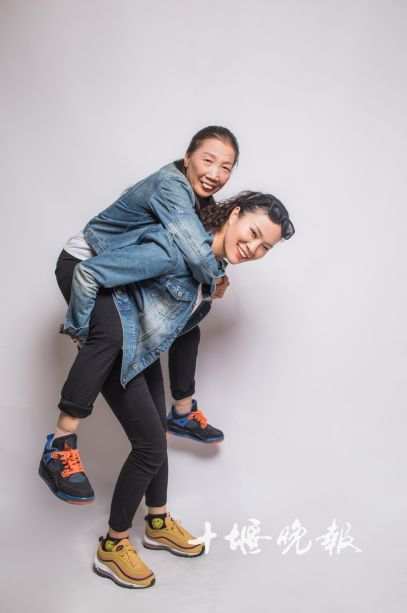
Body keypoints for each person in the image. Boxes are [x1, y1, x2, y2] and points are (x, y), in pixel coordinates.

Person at [51, 191, 295, 588]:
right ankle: (113, 546)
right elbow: (93, 272)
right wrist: (89, 334)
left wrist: (210, 290)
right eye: (251, 233)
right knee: (148, 446)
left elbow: (179, 326)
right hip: (118, 344)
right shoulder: (177, 247)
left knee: (156, 439)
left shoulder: (210, 266)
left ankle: (158, 521)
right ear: (233, 215)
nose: (252, 248)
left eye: (264, 247)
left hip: (141, 349)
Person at [39, 126, 239, 506]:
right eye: (208, 160)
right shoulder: (171, 187)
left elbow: (195, 254)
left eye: (226, 167)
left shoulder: (198, 202)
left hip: (117, 275)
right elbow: (196, 254)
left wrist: (212, 281)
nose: (215, 172)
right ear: (188, 157)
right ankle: (60, 444)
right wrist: (83, 330)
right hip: (85, 263)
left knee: (188, 321)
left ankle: (182, 411)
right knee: (110, 335)